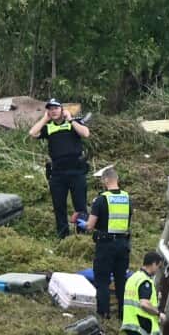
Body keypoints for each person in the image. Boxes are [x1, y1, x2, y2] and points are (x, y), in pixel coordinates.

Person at [29, 98, 91, 239]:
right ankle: (63, 236)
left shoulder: (73, 123)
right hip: (57, 173)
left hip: (76, 170)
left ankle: (81, 235)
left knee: (80, 205)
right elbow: (32, 133)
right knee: (59, 206)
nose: (53, 111)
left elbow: (86, 133)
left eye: (56, 108)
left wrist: (71, 120)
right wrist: (44, 119)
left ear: (62, 110)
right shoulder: (49, 127)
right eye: (50, 109)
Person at [85, 167, 132, 321]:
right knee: (121, 280)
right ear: (116, 179)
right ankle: (123, 314)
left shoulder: (101, 200)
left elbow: (90, 225)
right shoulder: (127, 198)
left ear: (105, 180)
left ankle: (103, 313)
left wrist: (83, 223)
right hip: (123, 244)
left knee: (102, 280)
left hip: (105, 245)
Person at [120, 251, 166, 335]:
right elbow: (144, 303)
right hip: (141, 324)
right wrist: (159, 314)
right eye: (158, 266)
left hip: (129, 322)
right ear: (153, 264)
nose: (158, 270)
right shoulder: (145, 281)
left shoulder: (133, 278)